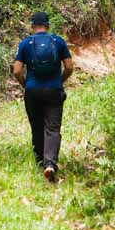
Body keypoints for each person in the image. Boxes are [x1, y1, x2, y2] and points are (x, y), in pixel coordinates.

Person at [12, 11, 74, 182]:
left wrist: (25, 84)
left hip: (33, 91)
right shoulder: (58, 41)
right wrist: (60, 80)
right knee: (52, 128)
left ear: (32, 26)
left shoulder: (25, 44)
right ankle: (50, 164)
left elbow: (17, 71)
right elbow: (69, 67)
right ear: (48, 25)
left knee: (37, 126)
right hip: (54, 91)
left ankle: (40, 161)